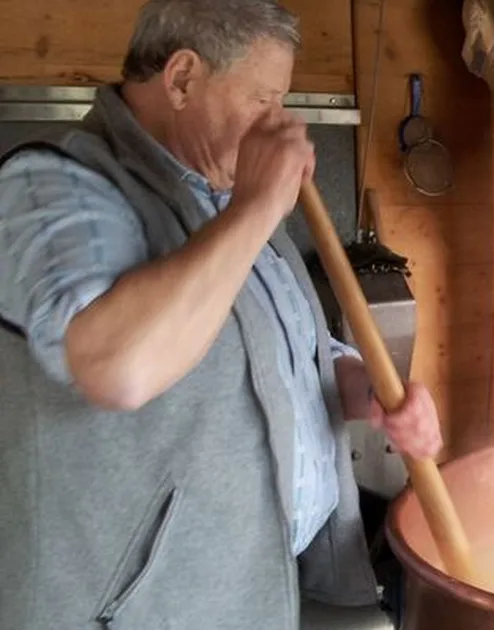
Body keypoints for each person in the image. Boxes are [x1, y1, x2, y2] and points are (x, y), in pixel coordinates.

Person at [0, 1, 441, 628]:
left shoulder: (231, 198)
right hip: (146, 611)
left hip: (276, 583)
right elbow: (117, 368)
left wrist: (365, 389)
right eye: (264, 101)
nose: (280, 124)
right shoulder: (51, 182)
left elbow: (278, 356)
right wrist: (259, 206)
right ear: (182, 78)